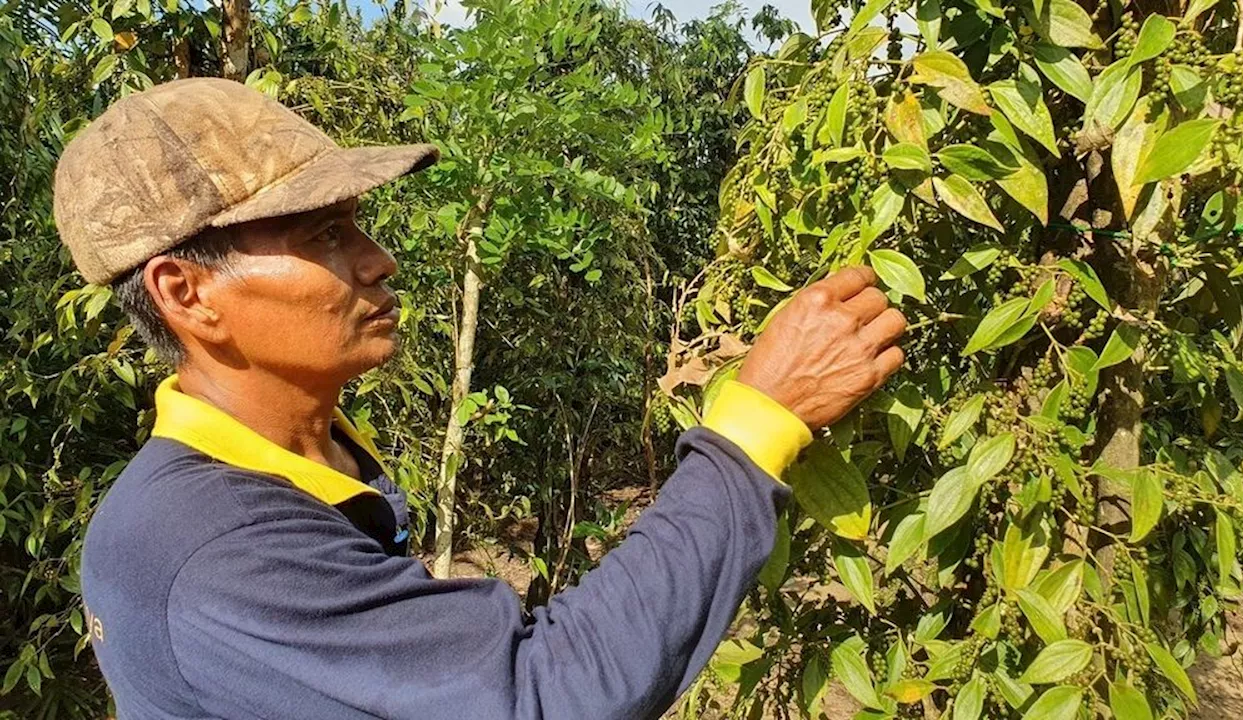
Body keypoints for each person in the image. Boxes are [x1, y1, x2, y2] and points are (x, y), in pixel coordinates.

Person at [55, 77, 906, 719]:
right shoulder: (214, 548)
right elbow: (541, 694)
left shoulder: (302, 463)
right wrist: (757, 420)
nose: (379, 258)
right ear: (187, 291)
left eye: (358, 221)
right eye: (324, 232)